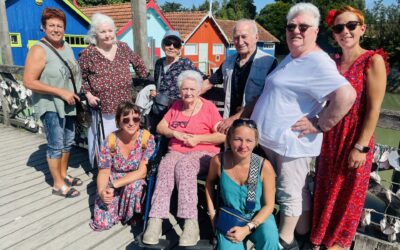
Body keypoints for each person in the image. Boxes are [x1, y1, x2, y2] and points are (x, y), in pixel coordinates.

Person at [250, 3, 357, 249]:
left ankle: (284, 240)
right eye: (291, 26)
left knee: (289, 192)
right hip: (271, 141)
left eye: (303, 27)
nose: (295, 31)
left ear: (315, 31)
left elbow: (346, 95)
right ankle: (302, 230)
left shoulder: (317, 61)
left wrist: (321, 124)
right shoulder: (293, 56)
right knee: (298, 190)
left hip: (291, 143)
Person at [310, 6, 389, 249]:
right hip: (330, 136)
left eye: (351, 25)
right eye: (339, 28)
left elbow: (374, 109)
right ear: (333, 34)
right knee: (325, 189)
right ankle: (319, 240)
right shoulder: (331, 62)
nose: (345, 31)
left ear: (362, 29)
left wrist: (361, 147)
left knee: (348, 195)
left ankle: (338, 244)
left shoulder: (372, 60)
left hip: (355, 137)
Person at [142, 70, 225, 247]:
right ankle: (155, 220)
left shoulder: (208, 107)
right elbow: (160, 127)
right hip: (176, 151)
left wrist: (198, 139)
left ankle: (190, 223)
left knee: (185, 167)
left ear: (198, 90)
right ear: (180, 90)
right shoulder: (176, 106)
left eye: (192, 89)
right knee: (165, 167)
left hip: (203, 153)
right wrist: (174, 133)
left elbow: (222, 136)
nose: (188, 93)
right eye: (185, 89)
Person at [23, 8, 82, 198]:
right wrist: (60, 91)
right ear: (43, 27)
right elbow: (29, 81)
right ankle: (57, 184)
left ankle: (63, 175)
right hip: (50, 104)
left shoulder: (66, 46)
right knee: (56, 144)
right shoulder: (39, 49)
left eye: (59, 25)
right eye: (52, 25)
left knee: (67, 142)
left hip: (69, 102)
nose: (56, 29)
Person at [79, 13, 148, 168]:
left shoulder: (123, 47)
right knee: (104, 140)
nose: (108, 35)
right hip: (101, 107)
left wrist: (148, 81)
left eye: (110, 31)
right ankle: (104, 169)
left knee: (123, 138)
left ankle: (122, 166)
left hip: (124, 105)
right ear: (95, 34)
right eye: (103, 32)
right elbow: (80, 78)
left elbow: (139, 64)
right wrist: (88, 95)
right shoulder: (88, 53)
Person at [205, 119, 280, 250]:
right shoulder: (218, 161)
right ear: (229, 139)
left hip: (259, 216)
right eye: (238, 139)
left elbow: (269, 205)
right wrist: (212, 214)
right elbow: (209, 182)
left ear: (256, 142)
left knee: (270, 239)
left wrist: (248, 228)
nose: (243, 145)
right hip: (231, 216)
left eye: (249, 140)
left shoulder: (264, 166)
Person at [89, 101, 156, 231]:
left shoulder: (146, 139)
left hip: (132, 179)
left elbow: (142, 172)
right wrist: (103, 192)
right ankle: (116, 209)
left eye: (135, 118)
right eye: (126, 120)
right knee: (102, 223)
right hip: (112, 177)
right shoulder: (110, 140)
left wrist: (114, 185)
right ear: (118, 121)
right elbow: (103, 171)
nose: (131, 123)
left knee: (135, 186)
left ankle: (131, 215)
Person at [207, 19, 278, 134]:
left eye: (244, 37)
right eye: (236, 37)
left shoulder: (269, 62)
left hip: (253, 126)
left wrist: (235, 118)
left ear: (256, 37)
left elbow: (266, 96)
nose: (240, 42)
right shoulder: (228, 62)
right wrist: (188, 93)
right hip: (229, 125)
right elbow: (210, 81)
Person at [148, 30, 210, 132]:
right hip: (158, 108)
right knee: (155, 137)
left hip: (176, 110)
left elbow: (203, 79)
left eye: (176, 44)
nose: (171, 47)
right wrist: (152, 90)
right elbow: (156, 82)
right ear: (163, 45)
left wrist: (192, 97)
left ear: (180, 48)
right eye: (168, 43)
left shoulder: (185, 63)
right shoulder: (159, 62)